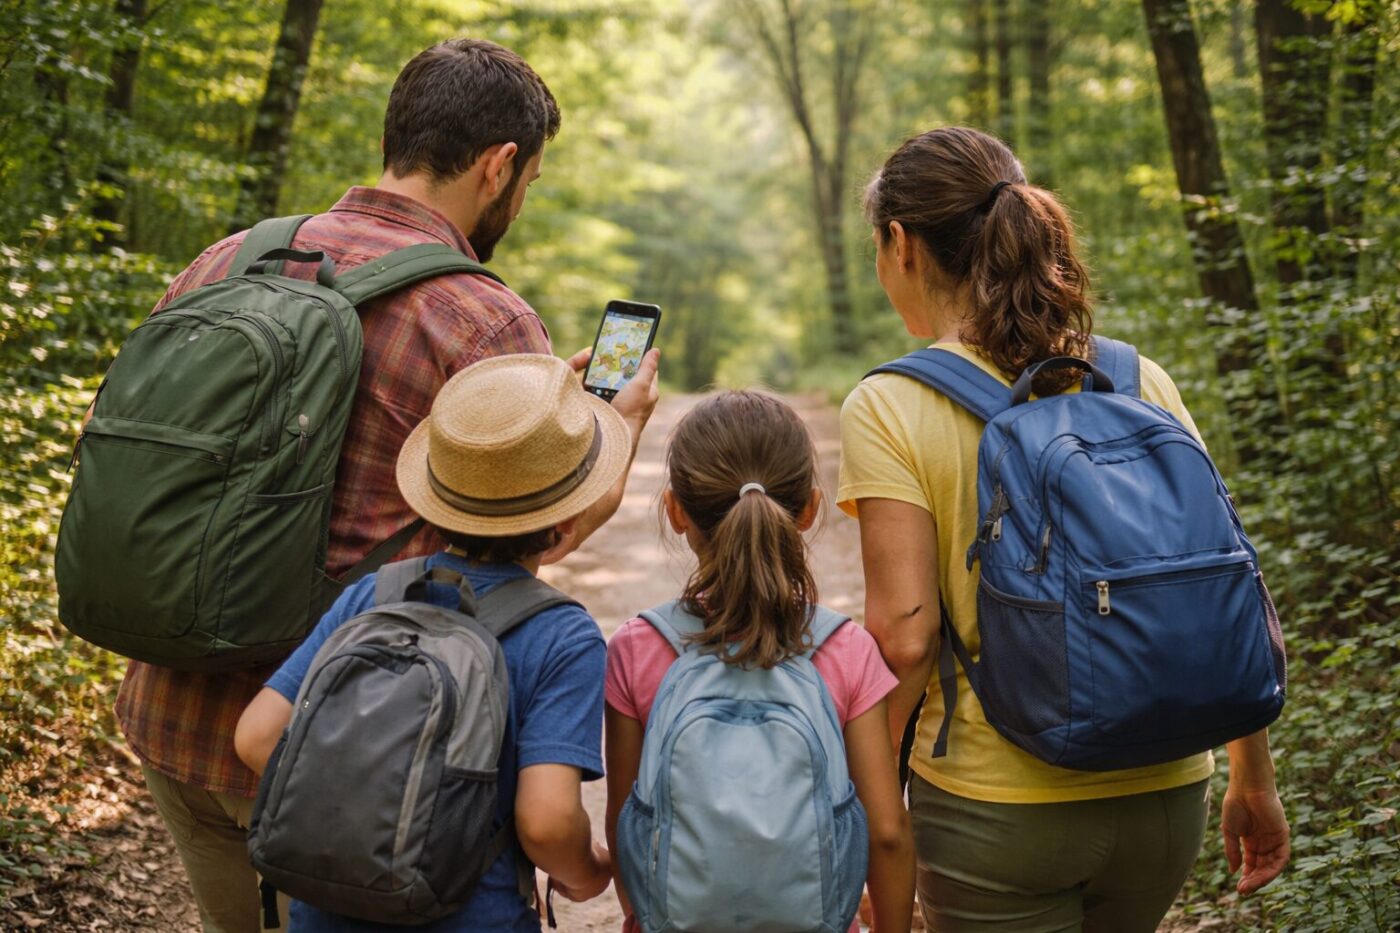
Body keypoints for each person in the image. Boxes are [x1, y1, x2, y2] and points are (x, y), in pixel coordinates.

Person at [113, 38, 660, 932]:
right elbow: (532, 535)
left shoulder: (226, 261)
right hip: (351, 762)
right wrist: (618, 429)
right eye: (528, 184)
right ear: (500, 165)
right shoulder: (483, 318)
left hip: (172, 719)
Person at [839, 126, 1290, 932]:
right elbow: (1222, 574)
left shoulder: (891, 405)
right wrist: (1252, 772)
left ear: (900, 244)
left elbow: (904, 641)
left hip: (999, 810)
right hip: (1169, 791)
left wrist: (866, 816)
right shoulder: (1134, 376)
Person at [235, 353, 622, 931]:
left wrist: (374, 824)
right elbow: (546, 823)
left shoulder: (372, 596)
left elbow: (257, 736)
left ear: (435, 503)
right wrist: (590, 873)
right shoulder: (562, 636)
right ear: (564, 526)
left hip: (330, 912)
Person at [604, 391, 916, 933]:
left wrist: (644, 915)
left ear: (675, 510)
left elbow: (626, 818)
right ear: (810, 509)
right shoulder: (844, 647)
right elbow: (887, 831)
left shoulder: (637, 646)